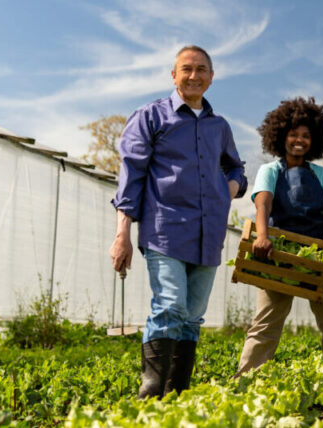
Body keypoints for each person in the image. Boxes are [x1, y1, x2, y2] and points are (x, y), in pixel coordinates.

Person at [109, 45, 247, 398]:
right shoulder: (151, 117)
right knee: (170, 306)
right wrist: (122, 234)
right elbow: (131, 176)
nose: (193, 76)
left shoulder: (219, 127)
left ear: (211, 77)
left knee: (192, 317)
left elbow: (236, 167)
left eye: (201, 69)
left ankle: (177, 397)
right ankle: (151, 397)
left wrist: (228, 190)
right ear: (174, 76)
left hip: (208, 234)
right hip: (165, 230)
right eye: (186, 69)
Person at [236, 97, 323, 378]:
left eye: (305, 135)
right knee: (267, 321)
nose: (299, 140)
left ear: (314, 141)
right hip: (278, 253)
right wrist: (262, 237)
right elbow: (263, 205)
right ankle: (246, 380)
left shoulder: (321, 174)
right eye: (293, 134)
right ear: (281, 136)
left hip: (318, 255)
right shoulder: (270, 171)